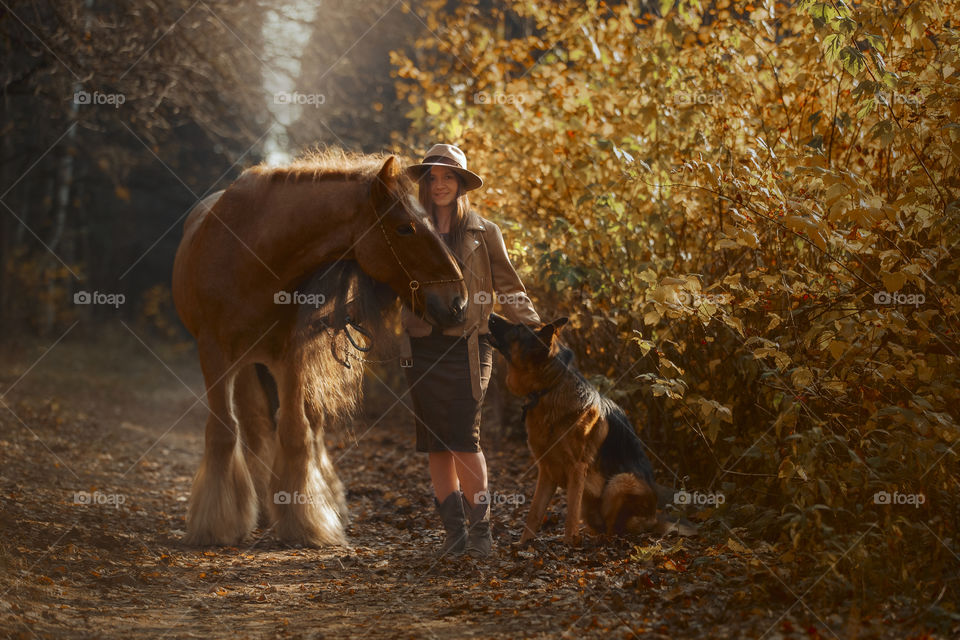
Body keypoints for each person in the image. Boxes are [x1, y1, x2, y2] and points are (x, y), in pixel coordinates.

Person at [401, 143, 540, 557]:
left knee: (464, 438)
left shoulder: (485, 232)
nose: (439, 183)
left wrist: (535, 329)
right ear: (425, 182)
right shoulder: (410, 231)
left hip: (469, 347)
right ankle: (454, 536)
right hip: (421, 347)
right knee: (436, 443)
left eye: (448, 176)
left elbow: (510, 288)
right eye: (433, 176)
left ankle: (481, 536)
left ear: (461, 183)